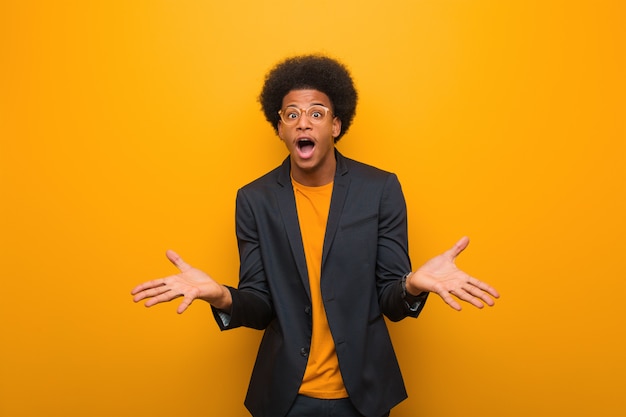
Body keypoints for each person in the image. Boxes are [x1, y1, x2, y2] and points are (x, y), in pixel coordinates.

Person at [131, 54, 500, 417]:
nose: (303, 123)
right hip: (285, 396)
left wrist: (412, 286)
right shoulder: (254, 200)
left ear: (336, 125)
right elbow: (260, 306)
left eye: (316, 113)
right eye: (291, 114)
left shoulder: (380, 189)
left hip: (363, 395)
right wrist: (222, 296)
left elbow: (391, 301)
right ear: (279, 129)